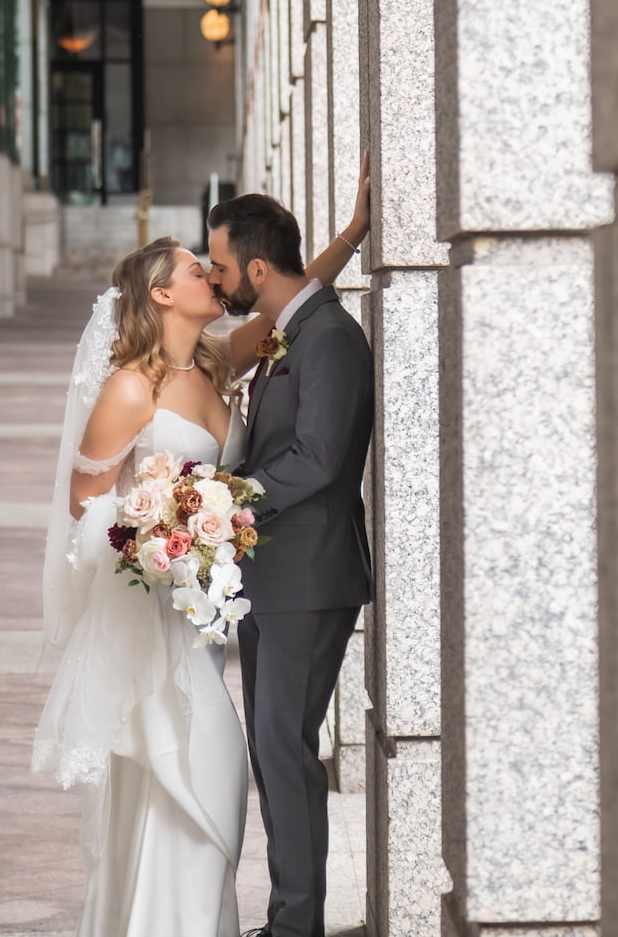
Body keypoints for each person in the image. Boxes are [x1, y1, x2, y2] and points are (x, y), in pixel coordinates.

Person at [33, 160, 370, 936]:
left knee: (222, 764)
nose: (211, 276)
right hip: (157, 606)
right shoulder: (129, 388)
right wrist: (153, 538)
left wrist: (352, 233)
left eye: (216, 265)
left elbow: (292, 290)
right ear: (162, 294)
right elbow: (86, 503)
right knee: (192, 761)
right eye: (197, 269)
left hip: (205, 611)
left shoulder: (220, 363)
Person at [204, 186, 376, 937]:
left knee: (282, 747)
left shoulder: (330, 338)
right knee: (273, 751)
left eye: (221, 267)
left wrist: (224, 505)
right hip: (271, 579)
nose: (218, 282)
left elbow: (317, 460)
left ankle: (298, 923)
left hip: (309, 578)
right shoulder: (288, 328)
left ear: (260, 268)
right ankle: (287, 919)